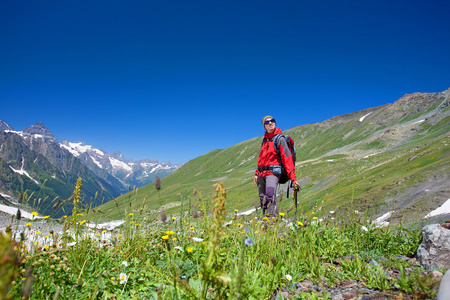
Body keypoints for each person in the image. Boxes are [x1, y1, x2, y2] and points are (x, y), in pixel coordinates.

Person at [254, 116, 298, 217]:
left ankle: (273, 223)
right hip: (261, 174)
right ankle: (266, 223)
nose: (270, 123)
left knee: (270, 196)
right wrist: (257, 173)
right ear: (264, 127)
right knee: (262, 199)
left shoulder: (280, 138)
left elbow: (287, 158)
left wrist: (293, 178)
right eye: (267, 122)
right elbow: (261, 158)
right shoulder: (265, 140)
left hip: (272, 173)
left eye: (272, 121)